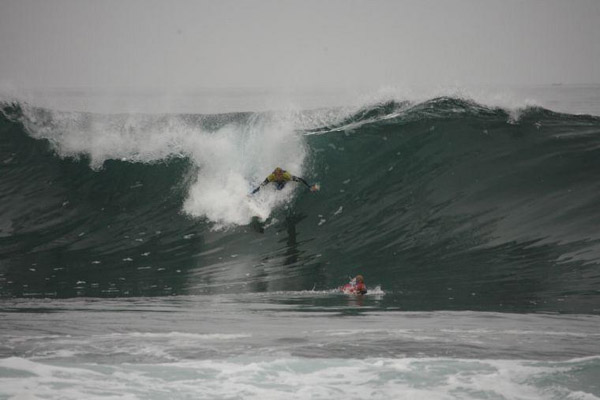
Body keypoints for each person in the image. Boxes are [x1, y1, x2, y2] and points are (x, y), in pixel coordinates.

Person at [251, 167, 319, 194]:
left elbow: (300, 179)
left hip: (284, 181)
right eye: (278, 176)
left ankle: (282, 184)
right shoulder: (270, 177)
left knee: (279, 188)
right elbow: (261, 185)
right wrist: (253, 193)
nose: (279, 177)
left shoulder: (286, 176)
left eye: (280, 175)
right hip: (275, 181)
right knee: (274, 185)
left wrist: (309, 186)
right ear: (275, 175)